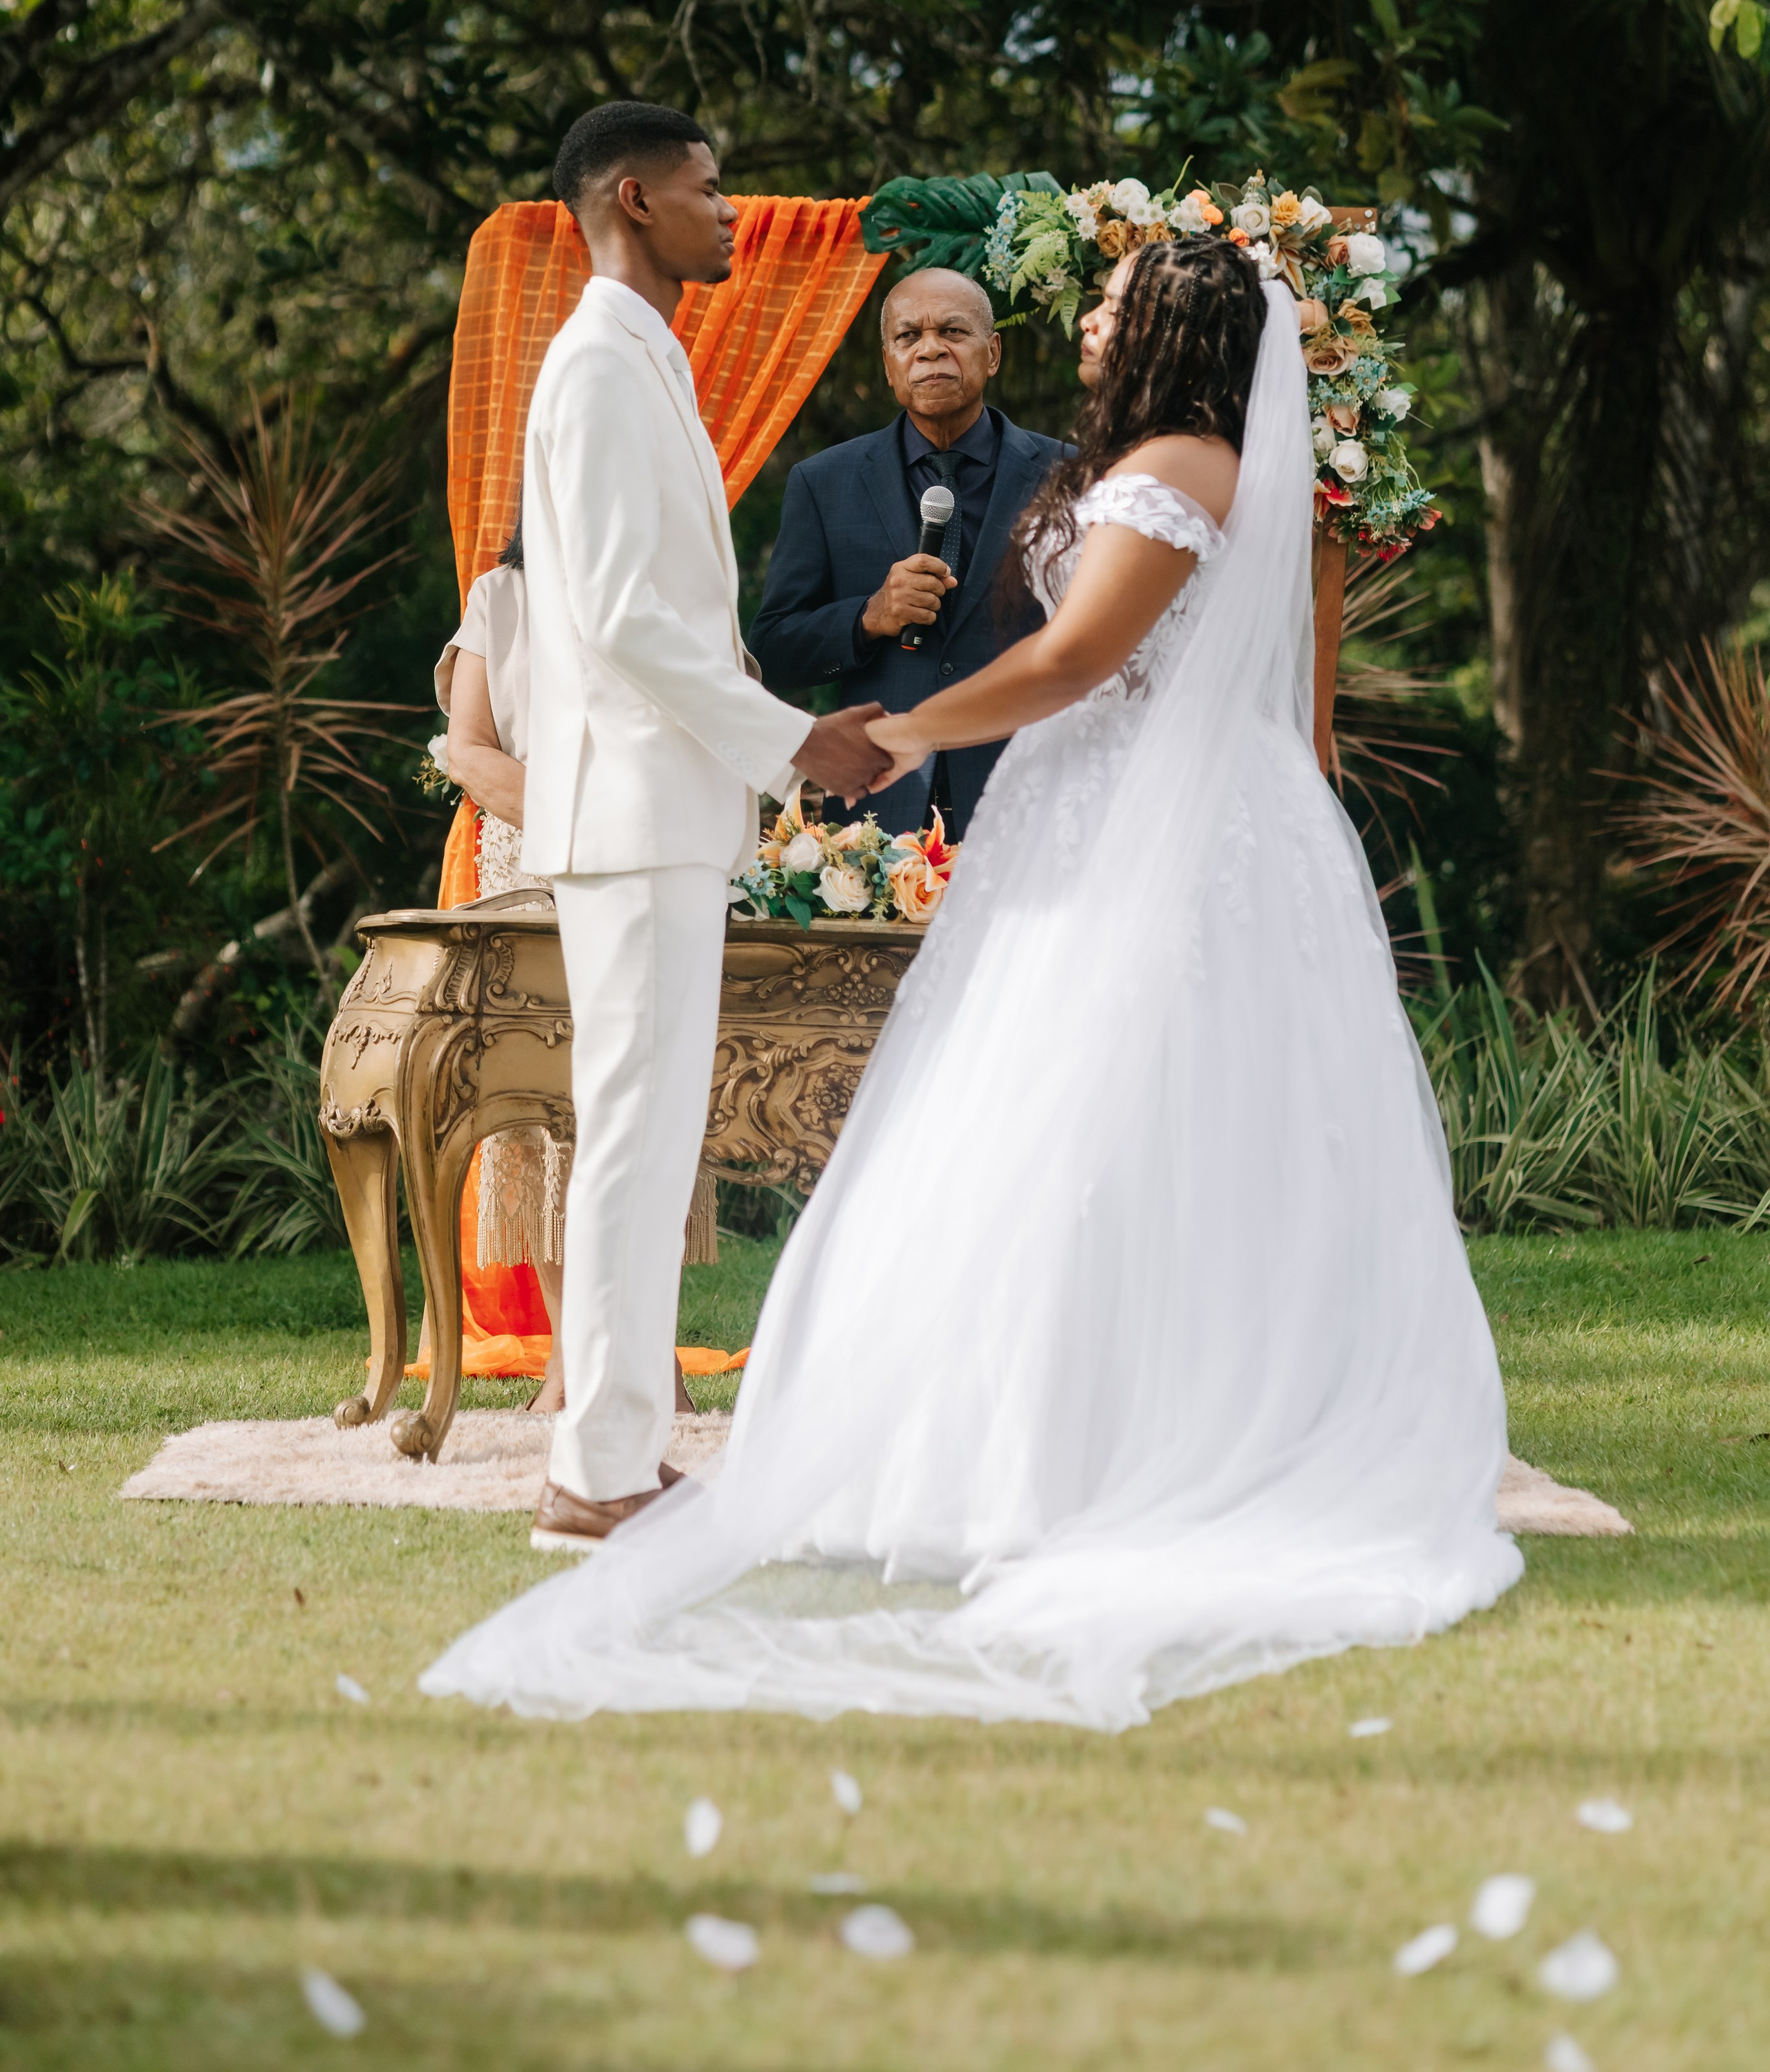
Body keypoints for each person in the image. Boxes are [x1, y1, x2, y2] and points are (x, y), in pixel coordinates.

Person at [424, 234, 1522, 1730]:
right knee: (1101, 1124)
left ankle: (1100, 1454)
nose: (1089, 319)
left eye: (1114, 304)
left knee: (1093, 1119)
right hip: (1114, 813)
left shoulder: (1176, 470)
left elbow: (1071, 663)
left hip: (1151, 829)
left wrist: (904, 730)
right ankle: (1092, 1432)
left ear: (1173, 329)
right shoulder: (1175, 467)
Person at [515, 99, 890, 1555]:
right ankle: (592, 1474)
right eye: (710, 188)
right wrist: (793, 738)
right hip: (628, 805)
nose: (731, 211)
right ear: (633, 199)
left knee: (652, 1136)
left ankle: (614, 1455)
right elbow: (620, 616)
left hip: (661, 808)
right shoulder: (597, 364)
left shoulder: (646, 352)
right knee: (632, 1135)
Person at [748, 268, 1063, 839]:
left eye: (953, 331)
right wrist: (868, 618)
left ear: (993, 353)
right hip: (880, 813)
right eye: (909, 336)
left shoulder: (1069, 475)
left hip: (1031, 801)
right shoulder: (824, 481)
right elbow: (773, 651)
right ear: (889, 365)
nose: (931, 349)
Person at [433, 520, 573, 1412]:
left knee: (636, 1106)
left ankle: (645, 1357)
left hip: (649, 864)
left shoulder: (673, 576)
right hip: (528, 869)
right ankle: (571, 1359)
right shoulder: (500, 598)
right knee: (538, 1115)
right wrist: (575, 813)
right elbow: (469, 748)